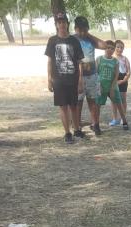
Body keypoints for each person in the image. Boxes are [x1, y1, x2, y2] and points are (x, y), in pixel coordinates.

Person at [45, 12, 84, 144]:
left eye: (64, 22)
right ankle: (67, 132)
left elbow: (79, 62)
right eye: (59, 22)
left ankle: (77, 129)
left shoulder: (74, 41)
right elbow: (50, 61)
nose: (62, 24)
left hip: (73, 78)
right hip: (58, 79)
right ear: (56, 25)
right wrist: (49, 79)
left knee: (74, 105)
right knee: (63, 106)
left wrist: (80, 80)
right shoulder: (52, 40)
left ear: (67, 24)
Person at [73, 16, 102, 136]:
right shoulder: (72, 39)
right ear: (75, 29)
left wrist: (89, 35)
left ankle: (95, 124)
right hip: (77, 76)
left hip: (92, 75)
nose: (83, 33)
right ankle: (77, 125)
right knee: (78, 102)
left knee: (93, 101)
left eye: (85, 30)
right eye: (80, 30)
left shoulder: (90, 39)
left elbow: (104, 45)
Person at [96, 40, 128, 130]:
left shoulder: (115, 61)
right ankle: (96, 124)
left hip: (113, 86)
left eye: (112, 48)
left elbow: (116, 74)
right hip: (101, 85)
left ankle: (124, 121)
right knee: (98, 105)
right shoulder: (99, 59)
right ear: (104, 48)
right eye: (108, 48)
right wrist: (99, 85)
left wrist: (112, 87)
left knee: (118, 103)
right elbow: (96, 73)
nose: (110, 50)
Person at [112, 41, 131, 131]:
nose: (120, 49)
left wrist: (125, 79)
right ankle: (115, 118)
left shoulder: (125, 58)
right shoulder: (112, 58)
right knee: (114, 100)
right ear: (114, 47)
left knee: (123, 99)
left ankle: (123, 117)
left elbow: (128, 71)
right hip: (114, 80)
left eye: (121, 47)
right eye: (118, 47)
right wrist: (114, 81)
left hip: (123, 79)